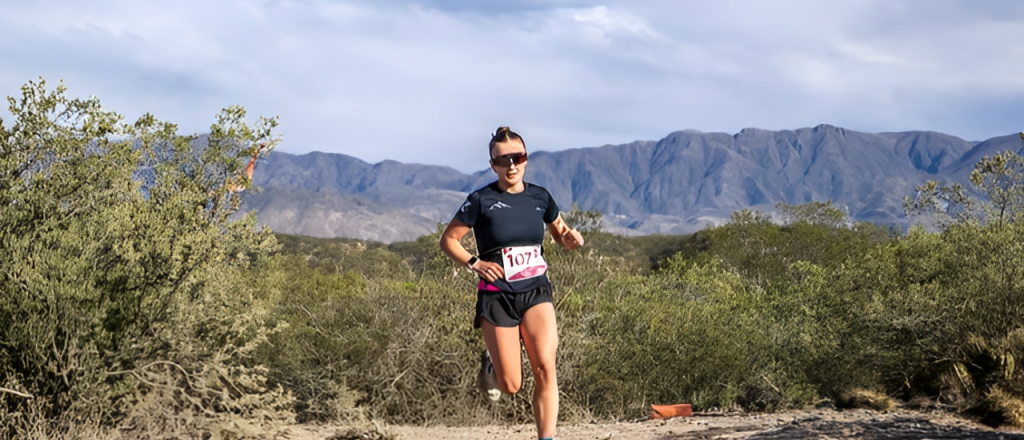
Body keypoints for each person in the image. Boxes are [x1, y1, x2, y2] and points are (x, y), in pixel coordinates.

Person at [439, 126, 584, 440]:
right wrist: (475, 263)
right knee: (511, 385)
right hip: (497, 295)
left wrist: (572, 239)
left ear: (526, 158)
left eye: (517, 157)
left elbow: (561, 232)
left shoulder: (540, 197)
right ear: (493, 165)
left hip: (536, 290)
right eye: (503, 160)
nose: (511, 165)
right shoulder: (481, 199)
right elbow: (448, 240)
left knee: (546, 366)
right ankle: (491, 365)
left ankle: (546, 438)